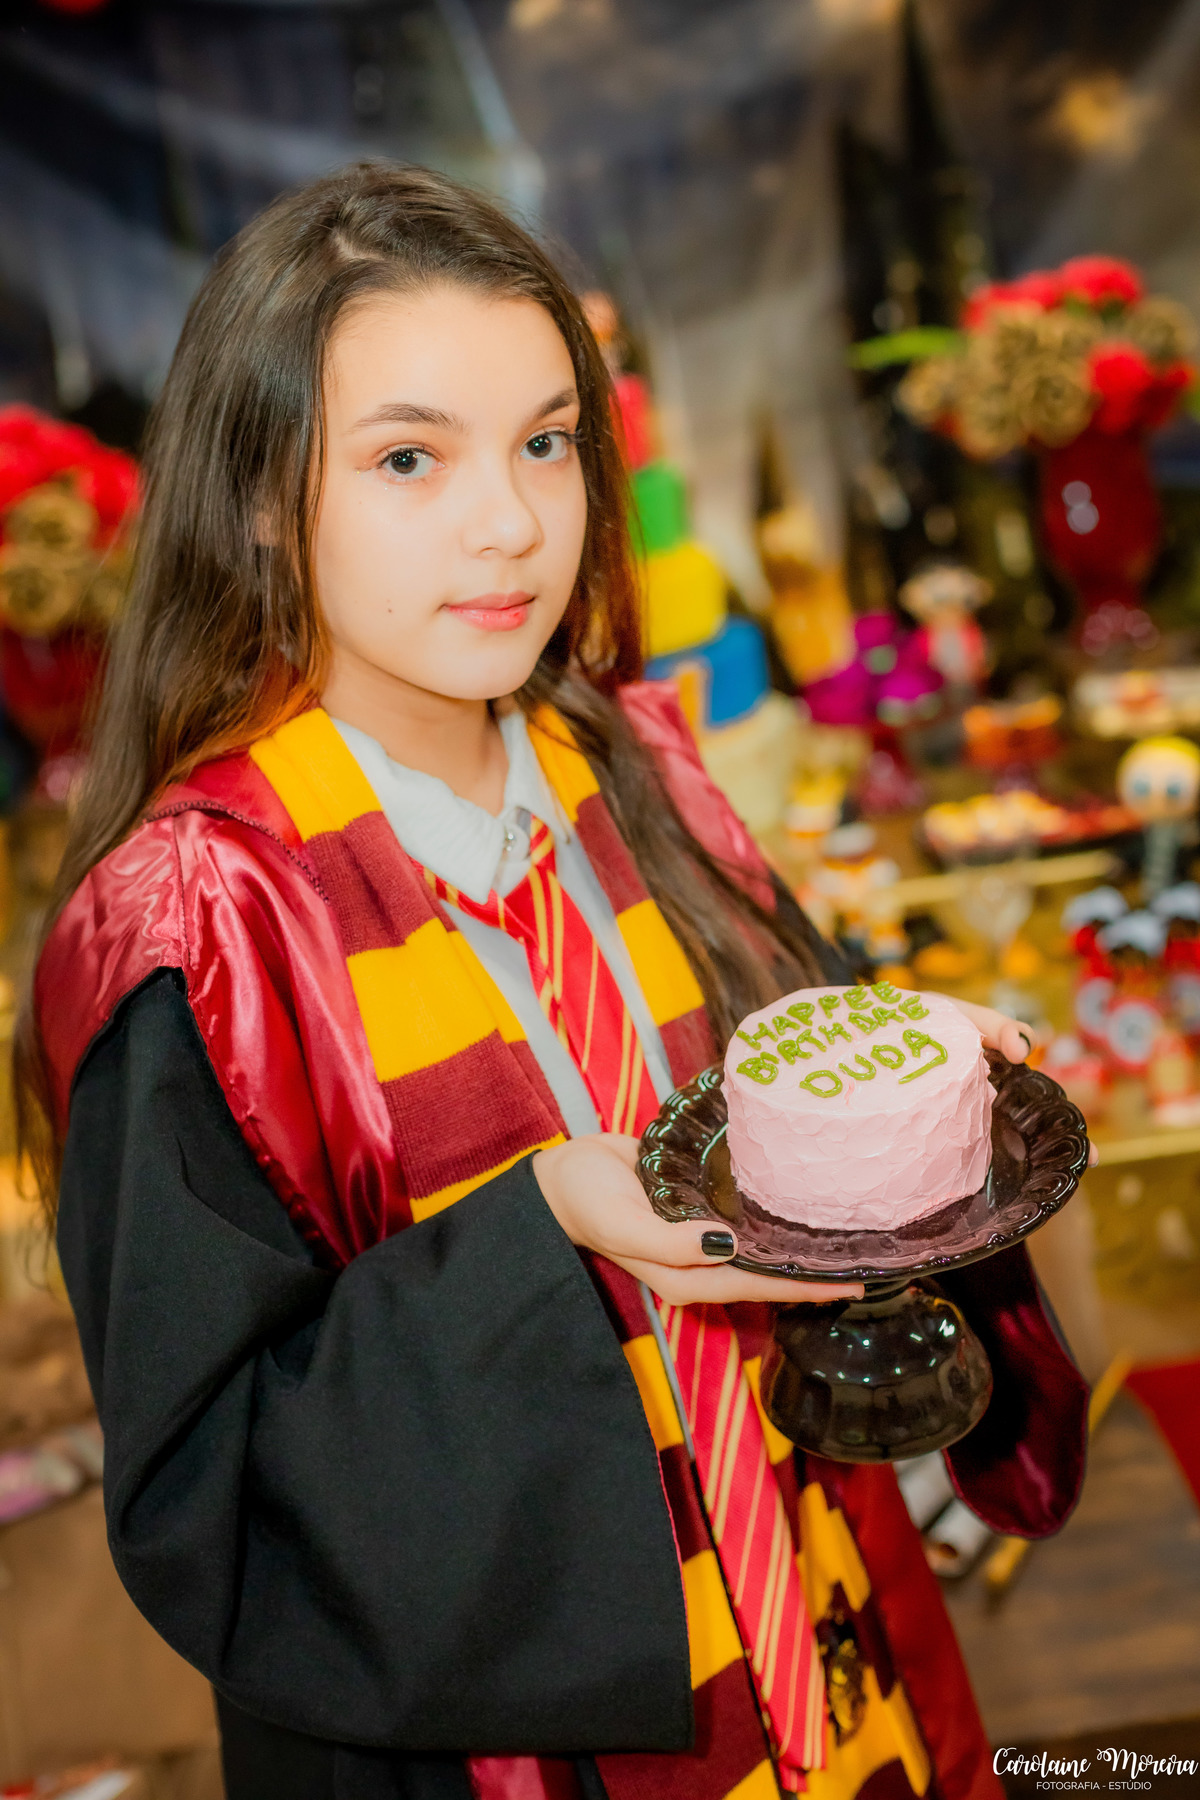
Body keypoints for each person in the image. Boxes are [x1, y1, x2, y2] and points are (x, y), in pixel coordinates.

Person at [20, 163, 1088, 1800]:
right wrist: (544, 1234)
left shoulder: (640, 772)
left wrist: (885, 1076)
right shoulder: (197, 929)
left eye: (545, 441)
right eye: (408, 458)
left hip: (834, 1648)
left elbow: (792, 1191)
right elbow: (215, 1500)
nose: (512, 522)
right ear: (255, 496)